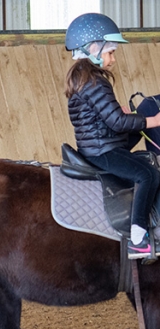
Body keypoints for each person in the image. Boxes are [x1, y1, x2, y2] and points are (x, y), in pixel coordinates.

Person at [65, 13, 160, 260]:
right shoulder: (95, 82)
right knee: (147, 174)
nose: (113, 59)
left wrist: (125, 116)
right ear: (93, 49)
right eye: (110, 52)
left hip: (98, 144)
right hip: (102, 150)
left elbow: (107, 117)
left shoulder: (85, 80)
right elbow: (116, 121)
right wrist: (152, 121)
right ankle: (138, 238)